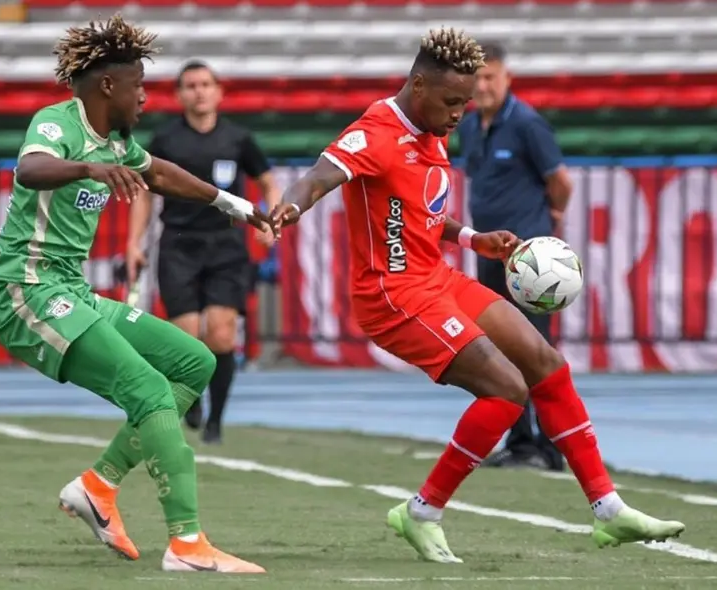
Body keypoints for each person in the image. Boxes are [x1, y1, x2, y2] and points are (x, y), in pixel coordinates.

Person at [270, 27, 685, 563]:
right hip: (393, 297)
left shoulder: (432, 124)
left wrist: (471, 239)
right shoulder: (375, 133)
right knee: (507, 391)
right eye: (452, 102)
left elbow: (421, 215)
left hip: (437, 278)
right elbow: (317, 178)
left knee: (546, 363)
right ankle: (422, 512)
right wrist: (290, 206)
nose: (460, 114)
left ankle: (609, 509)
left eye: (465, 103)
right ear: (418, 85)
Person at [0, 15, 266, 574]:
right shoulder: (58, 124)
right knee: (149, 392)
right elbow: (31, 169)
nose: (145, 98)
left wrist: (232, 205)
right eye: (139, 86)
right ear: (109, 86)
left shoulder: (119, 143)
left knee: (194, 361)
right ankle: (187, 545)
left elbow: (158, 173)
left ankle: (98, 486)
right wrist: (88, 166)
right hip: (23, 289)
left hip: (70, 290)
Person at [127, 60, 280, 444]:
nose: (199, 91)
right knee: (189, 339)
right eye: (191, 85)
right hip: (179, 246)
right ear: (179, 94)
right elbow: (144, 196)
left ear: (218, 91)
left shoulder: (238, 138)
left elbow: (267, 181)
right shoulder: (165, 141)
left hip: (226, 247)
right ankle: (192, 400)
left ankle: (216, 422)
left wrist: (269, 219)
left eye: (206, 84)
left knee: (223, 335)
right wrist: (133, 243)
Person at [458, 42, 570, 472]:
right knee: (503, 347)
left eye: (491, 77)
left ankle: (552, 444)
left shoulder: (526, 124)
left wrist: (550, 218)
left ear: (507, 78)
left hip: (529, 260)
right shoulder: (470, 126)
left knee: (534, 350)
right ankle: (521, 440)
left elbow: (560, 181)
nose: (483, 86)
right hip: (491, 252)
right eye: (477, 78)